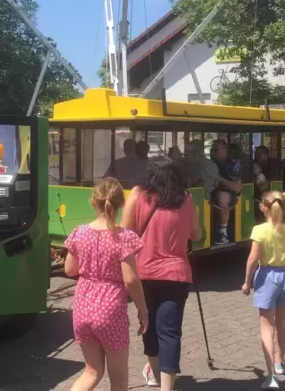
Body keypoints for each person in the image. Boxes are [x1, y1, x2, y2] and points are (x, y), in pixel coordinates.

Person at [121, 157, 202, 391]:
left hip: (144, 274)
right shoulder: (186, 198)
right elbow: (197, 234)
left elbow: (125, 233)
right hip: (176, 274)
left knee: (148, 325)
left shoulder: (137, 194)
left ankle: (154, 372)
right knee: (170, 331)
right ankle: (167, 386)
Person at [64, 178, 149, 391]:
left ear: (94, 202)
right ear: (121, 204)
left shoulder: (79, 232)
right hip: (110, 311)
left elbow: (69, 270)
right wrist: (143, 310)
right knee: (118, 378)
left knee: (92, 371)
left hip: (82, 308)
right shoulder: (124, 237)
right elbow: (130, 279)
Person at [242, 192, 285, 390]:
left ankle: (271, 376)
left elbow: (253, 259)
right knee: (282, 322)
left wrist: (246, 281)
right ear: (283, 207)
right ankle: (280, 361)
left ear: (264, 208)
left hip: (267, 277)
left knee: (267, 327)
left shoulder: (259, 230)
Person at [210, 139, 242, 245]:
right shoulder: (210, 164)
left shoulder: (232, 165)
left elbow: (237, 188)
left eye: (215, 149)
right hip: (211, 192)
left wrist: (219, 179)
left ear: (224, 150)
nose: (211, 152)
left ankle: (223, 233)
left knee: (222, 196)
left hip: (231, 195)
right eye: (211, 149)